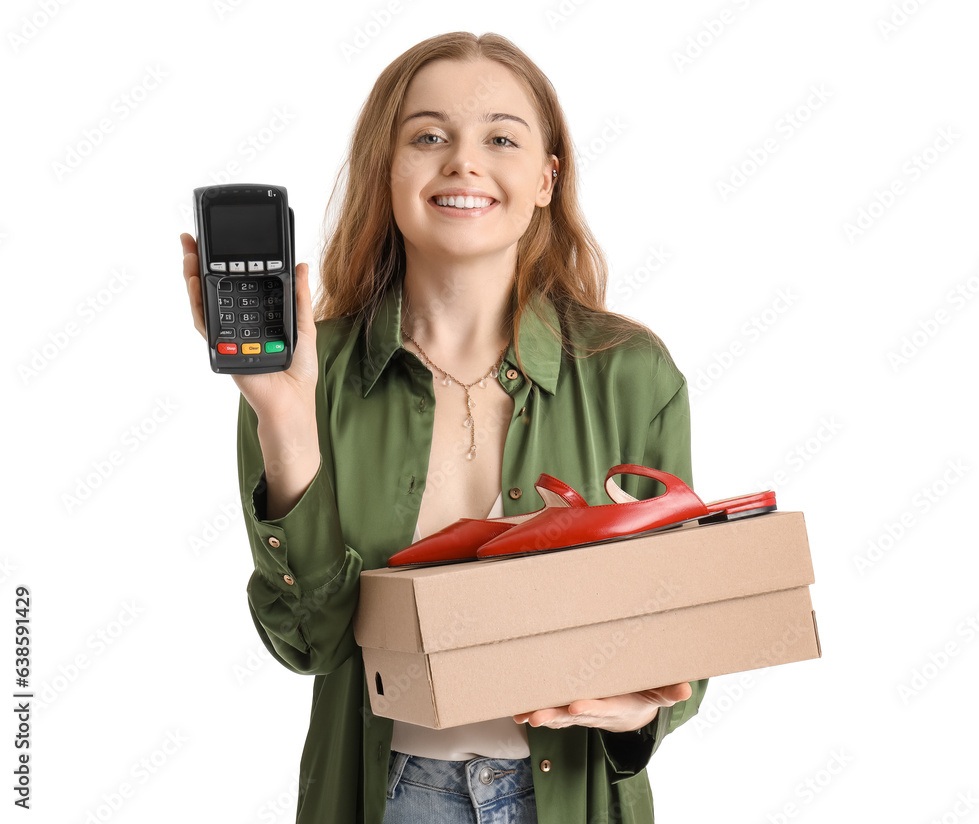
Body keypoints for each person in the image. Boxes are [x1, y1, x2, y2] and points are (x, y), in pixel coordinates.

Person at [182, 31, 708, 824]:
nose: (463, 161)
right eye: (428, 136)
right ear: (385, 171)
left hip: (570, 796)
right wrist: (285, 423)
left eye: (500, 137)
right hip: (386, 793)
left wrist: (645, 703)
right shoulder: (304, 378)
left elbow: (684, 616)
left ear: (544, 177)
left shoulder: (631, 374)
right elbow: (309, 643)